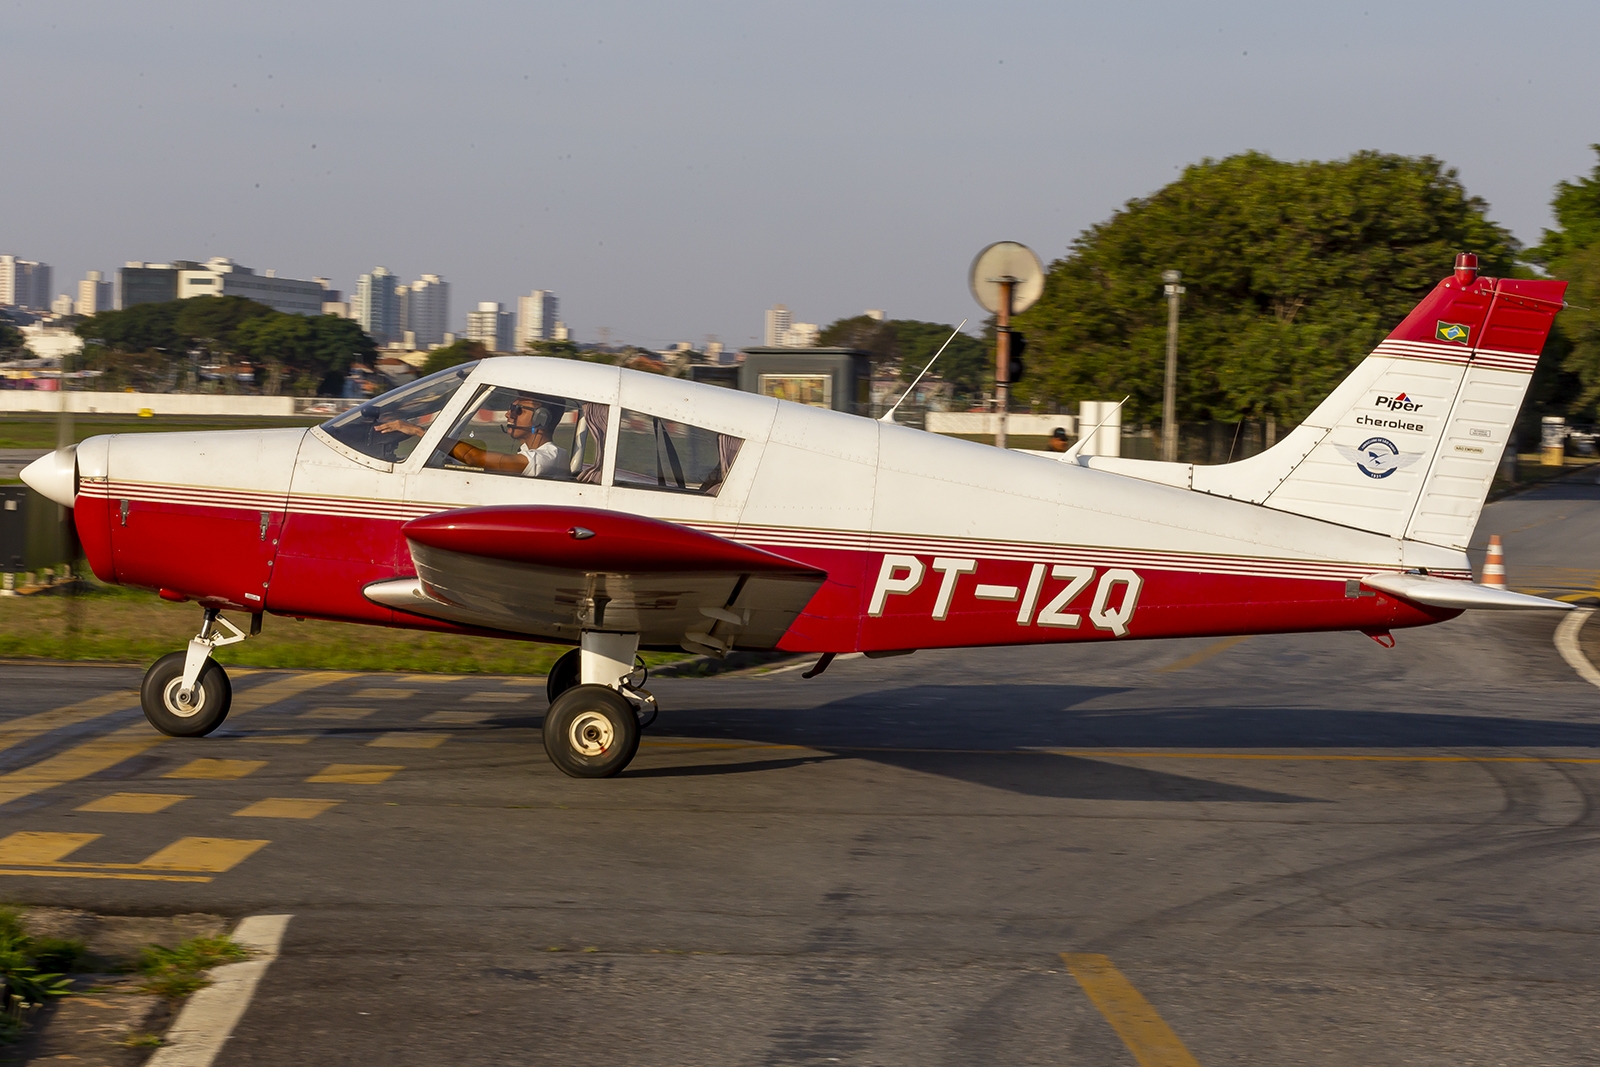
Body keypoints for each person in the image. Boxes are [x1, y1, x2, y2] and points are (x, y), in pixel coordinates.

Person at [377, 393, 570, 477]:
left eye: (518, 409)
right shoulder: (535, 453)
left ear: (541, 419)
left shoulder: (546, 459)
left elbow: (474, 457)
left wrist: (419, 431)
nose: (508, 414)